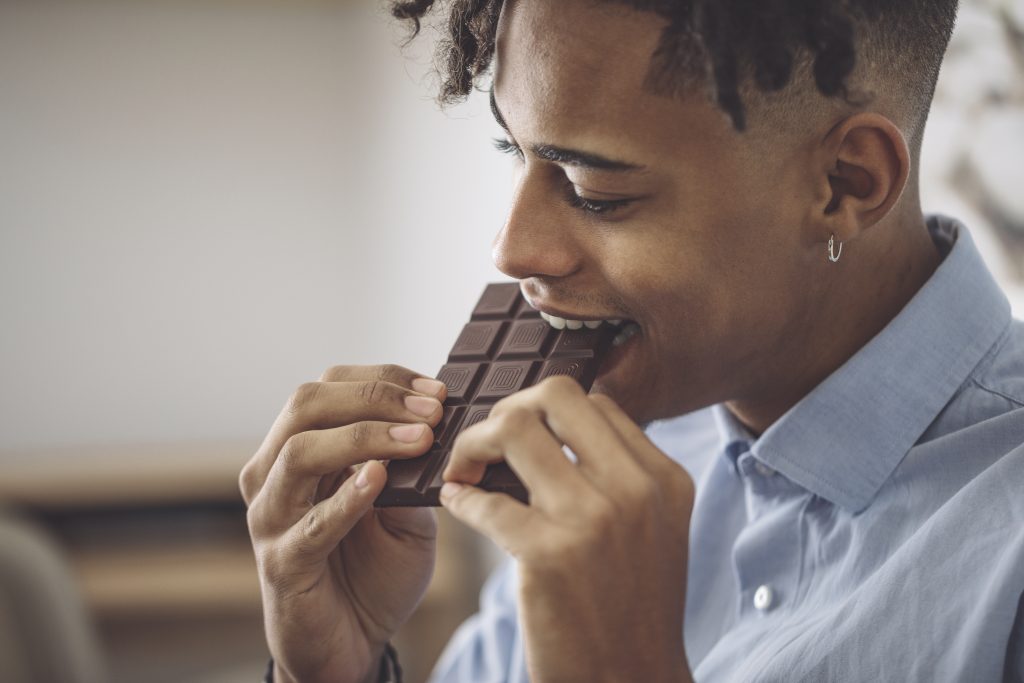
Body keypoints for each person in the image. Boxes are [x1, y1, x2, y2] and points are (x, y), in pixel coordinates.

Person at [238, 0, 1024, 681]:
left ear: (845, 183)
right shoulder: (589, 447)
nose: (512, 250)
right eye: (515, 151)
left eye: (595, 192)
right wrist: (343, 669)